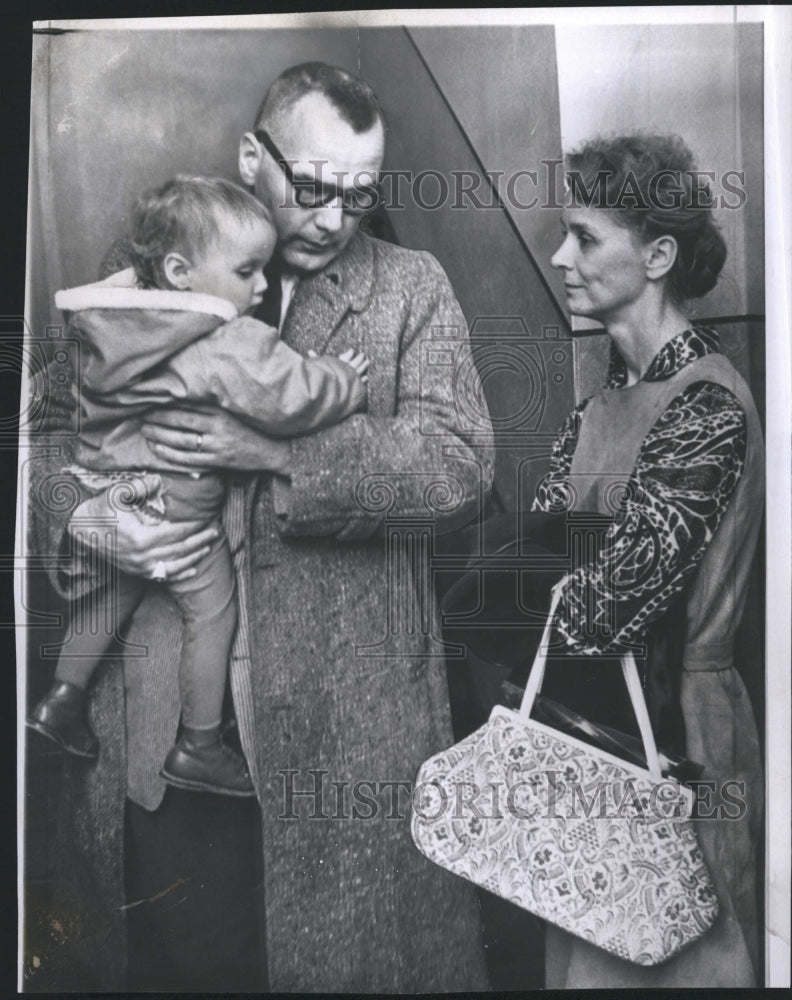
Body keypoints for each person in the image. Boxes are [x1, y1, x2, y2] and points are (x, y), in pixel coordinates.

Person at [27, 62, 494, 991]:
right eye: (313, 188)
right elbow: (42, 432)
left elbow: (461, 465)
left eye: (359, 197)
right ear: (254, 156)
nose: (332, 218)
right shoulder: (153, 267)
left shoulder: (411, 287)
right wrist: (83, 513)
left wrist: (278, 454)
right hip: (159, 738)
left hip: (342, 743)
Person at [27, 175, 369, 797]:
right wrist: (344, 379)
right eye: (246, 271)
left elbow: (62, 404)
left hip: (111, 490)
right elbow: (294, 398)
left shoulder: (104, 321)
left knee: (112, 590)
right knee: (212, 611)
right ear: (182, 272)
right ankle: (199, 745)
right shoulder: (223, 339)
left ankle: (60, 700)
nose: (260, 287)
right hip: (180, 504)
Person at [531, 134, 763, 987]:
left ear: (657, 254)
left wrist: (532, 588)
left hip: (679, 737)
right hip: (593, 731)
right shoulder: (599, 403)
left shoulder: (704, 400)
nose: (561, 256)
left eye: (585, 237)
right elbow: (550, 589)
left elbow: (598, 608)